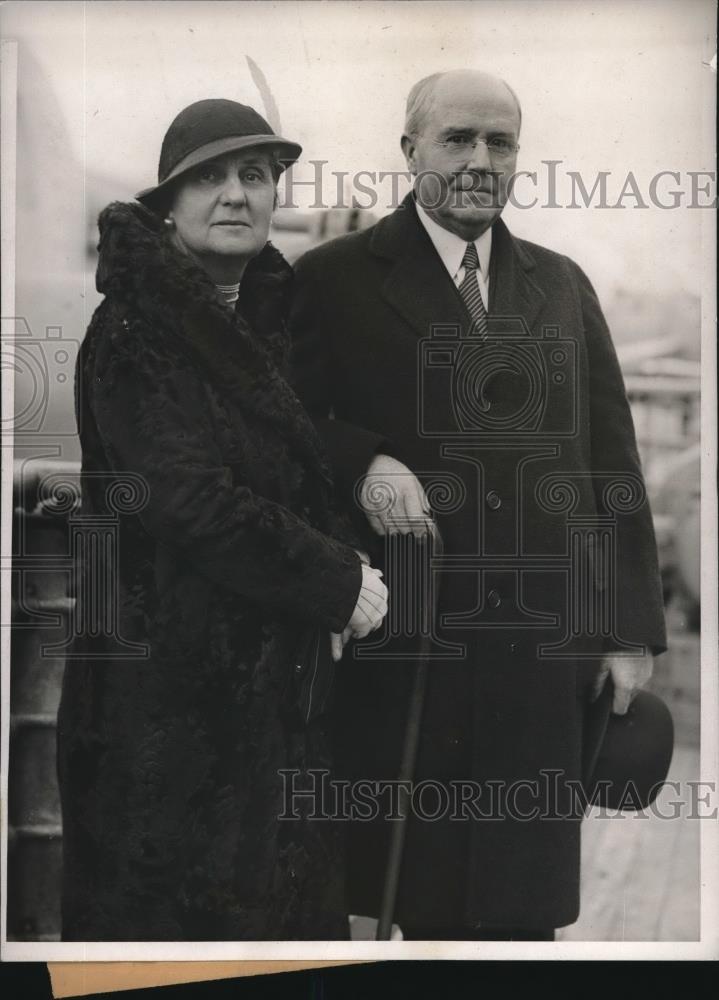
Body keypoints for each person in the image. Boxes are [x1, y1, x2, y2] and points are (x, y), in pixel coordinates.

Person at [290, 70, 667, 940]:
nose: (479, 160)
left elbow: (613, 464)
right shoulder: (331, 279)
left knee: (520, 915)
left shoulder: (563, 287)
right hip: (405, 651)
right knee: (401, 902)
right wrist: (364, 462)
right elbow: (285, 424)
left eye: (500, 143)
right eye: (458, 138)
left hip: (538, 660)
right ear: (409, 150)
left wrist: (627, 629)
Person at [56, 99, 388, 941]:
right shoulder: (137, 330)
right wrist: (338, 580)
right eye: (208, 177)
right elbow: (187, 497)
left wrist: (375, 464)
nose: (236, 194)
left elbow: (298, 457)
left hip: (267, 712)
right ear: (168, 205)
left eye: (255, 175)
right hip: (163, 713)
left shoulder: (267, 324)